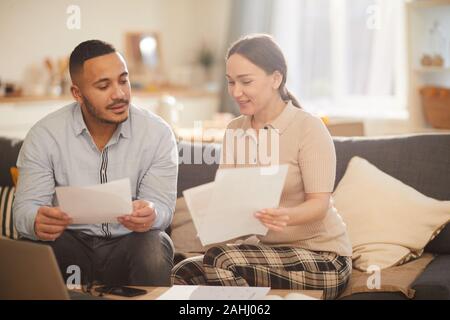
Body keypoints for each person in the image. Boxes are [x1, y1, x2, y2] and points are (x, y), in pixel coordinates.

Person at [171, 34, 352, 299]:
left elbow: (319, 205)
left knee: (222, 260)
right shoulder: (235, 130)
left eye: (246, 82)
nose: (235, 92)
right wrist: (216, 219)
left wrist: (284, 215)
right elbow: (231, 200)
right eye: (231, 82)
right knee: (183, 272)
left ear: (276, 79)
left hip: (323, 258)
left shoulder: (308, 128)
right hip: (267, 255)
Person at [13, 40, 178, 287]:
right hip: (69, 243)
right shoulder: (44, 135)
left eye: (123, 80)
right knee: (33, 246)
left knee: (155, 244)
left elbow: (163, 208)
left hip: (131, 245)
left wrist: (152, 213)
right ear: (77, 93)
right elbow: (24, 209)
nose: (120, 94)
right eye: (104, 86)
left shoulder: (158, 134)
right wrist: (36, 220)